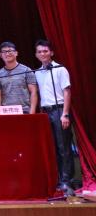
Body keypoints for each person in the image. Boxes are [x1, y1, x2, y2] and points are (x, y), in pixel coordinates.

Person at [34, 40, 74, 192]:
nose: (43, 54)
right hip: (45, 111)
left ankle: (67, 181)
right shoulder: (37, 72)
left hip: (59, 110)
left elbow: (67, 91)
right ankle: (56, 180)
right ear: (36, 55)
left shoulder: (60, 69)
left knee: (63, 146)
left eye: (45, 51)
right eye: (39, 52)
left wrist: (65, 114)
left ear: (51, 52)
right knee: (52, 147)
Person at [0, 42, 38, 114]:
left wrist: (32, 112)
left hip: (24, 111)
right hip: (6, 112)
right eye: (4, 52)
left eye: (10, 51)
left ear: (16, 53)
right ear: (1, 55)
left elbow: (33, 92)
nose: (7, 54)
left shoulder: (26, 70)